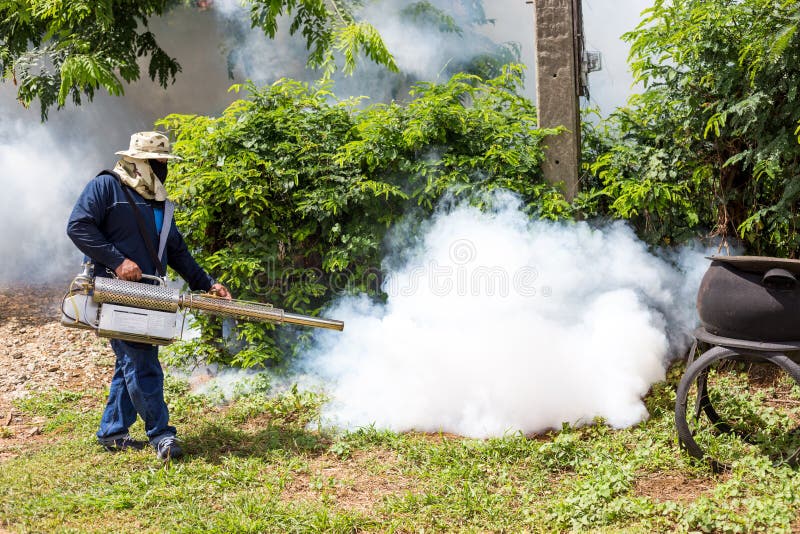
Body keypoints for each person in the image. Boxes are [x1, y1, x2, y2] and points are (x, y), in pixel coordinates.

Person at [66, 131, 230, 461]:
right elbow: (79, 226)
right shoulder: (106, 186)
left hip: (149, 293)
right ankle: (162, 435)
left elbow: (177, 251)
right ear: (138, 161)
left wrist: (207, 283)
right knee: (142, 364)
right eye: (158, 162)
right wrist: (118, 261)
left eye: (164, 162)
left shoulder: (159, 200)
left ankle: (112, 432)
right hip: (115, 291)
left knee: (131, 361)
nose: (163, 168)